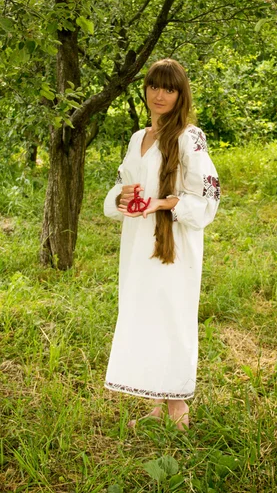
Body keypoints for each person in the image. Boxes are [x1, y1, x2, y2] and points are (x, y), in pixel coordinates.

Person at [103, 58, 220, 430]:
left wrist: (164, 203)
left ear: (180, 93)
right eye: (154, 85)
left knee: (172, 315)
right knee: (146, 315)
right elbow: (125, 185)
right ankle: (156, 403)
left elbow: (207, 195)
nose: (159, 94)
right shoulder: (139, 137)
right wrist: (121, 198)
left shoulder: (190, 136)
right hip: (137, 241)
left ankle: (178, 407)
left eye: (169, 88)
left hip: (173, 242)